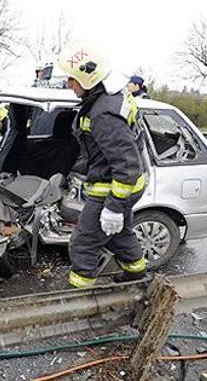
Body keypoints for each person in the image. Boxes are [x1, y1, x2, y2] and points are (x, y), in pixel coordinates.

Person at [57, 43, 148, 288]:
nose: (69, 84)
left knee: (84, 241)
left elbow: (126, 165)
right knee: (119, 235)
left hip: (115, 186)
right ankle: (137, 274)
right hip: (123, 184)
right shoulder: (110, 98)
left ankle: (78, 296)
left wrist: (114, 207)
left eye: (72, 79)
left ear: (88, 79)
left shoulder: (103, 115)